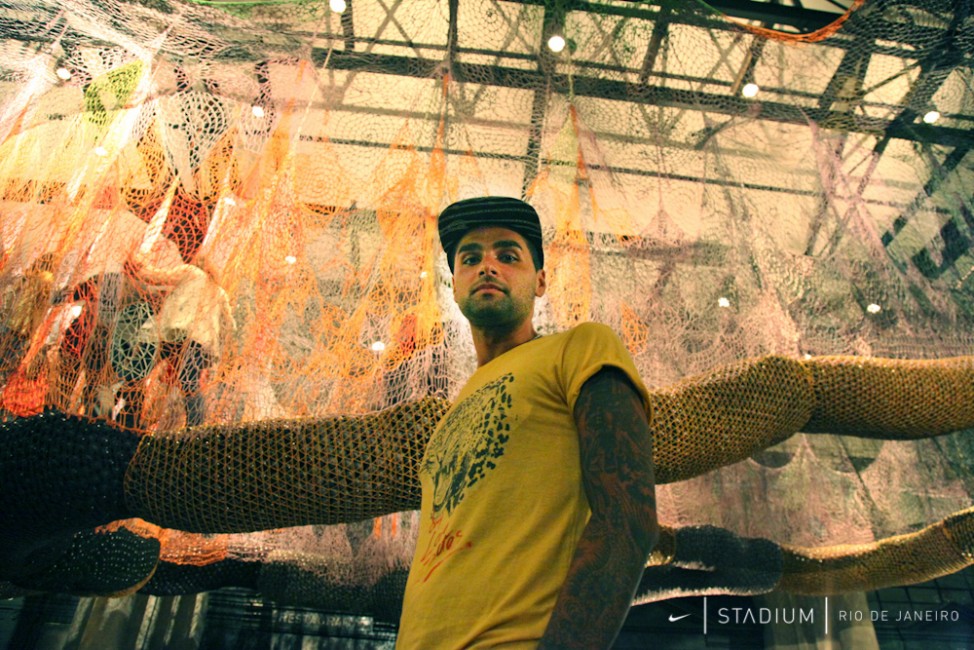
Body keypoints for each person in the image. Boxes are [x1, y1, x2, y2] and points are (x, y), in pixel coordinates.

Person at [395, 196, 659, 649]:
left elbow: (628, 517)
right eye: (470, 258)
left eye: (508, 255)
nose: (487, 266)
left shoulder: (578, 348)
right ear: (454, 286)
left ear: (540, 281)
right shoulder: (451, 414)